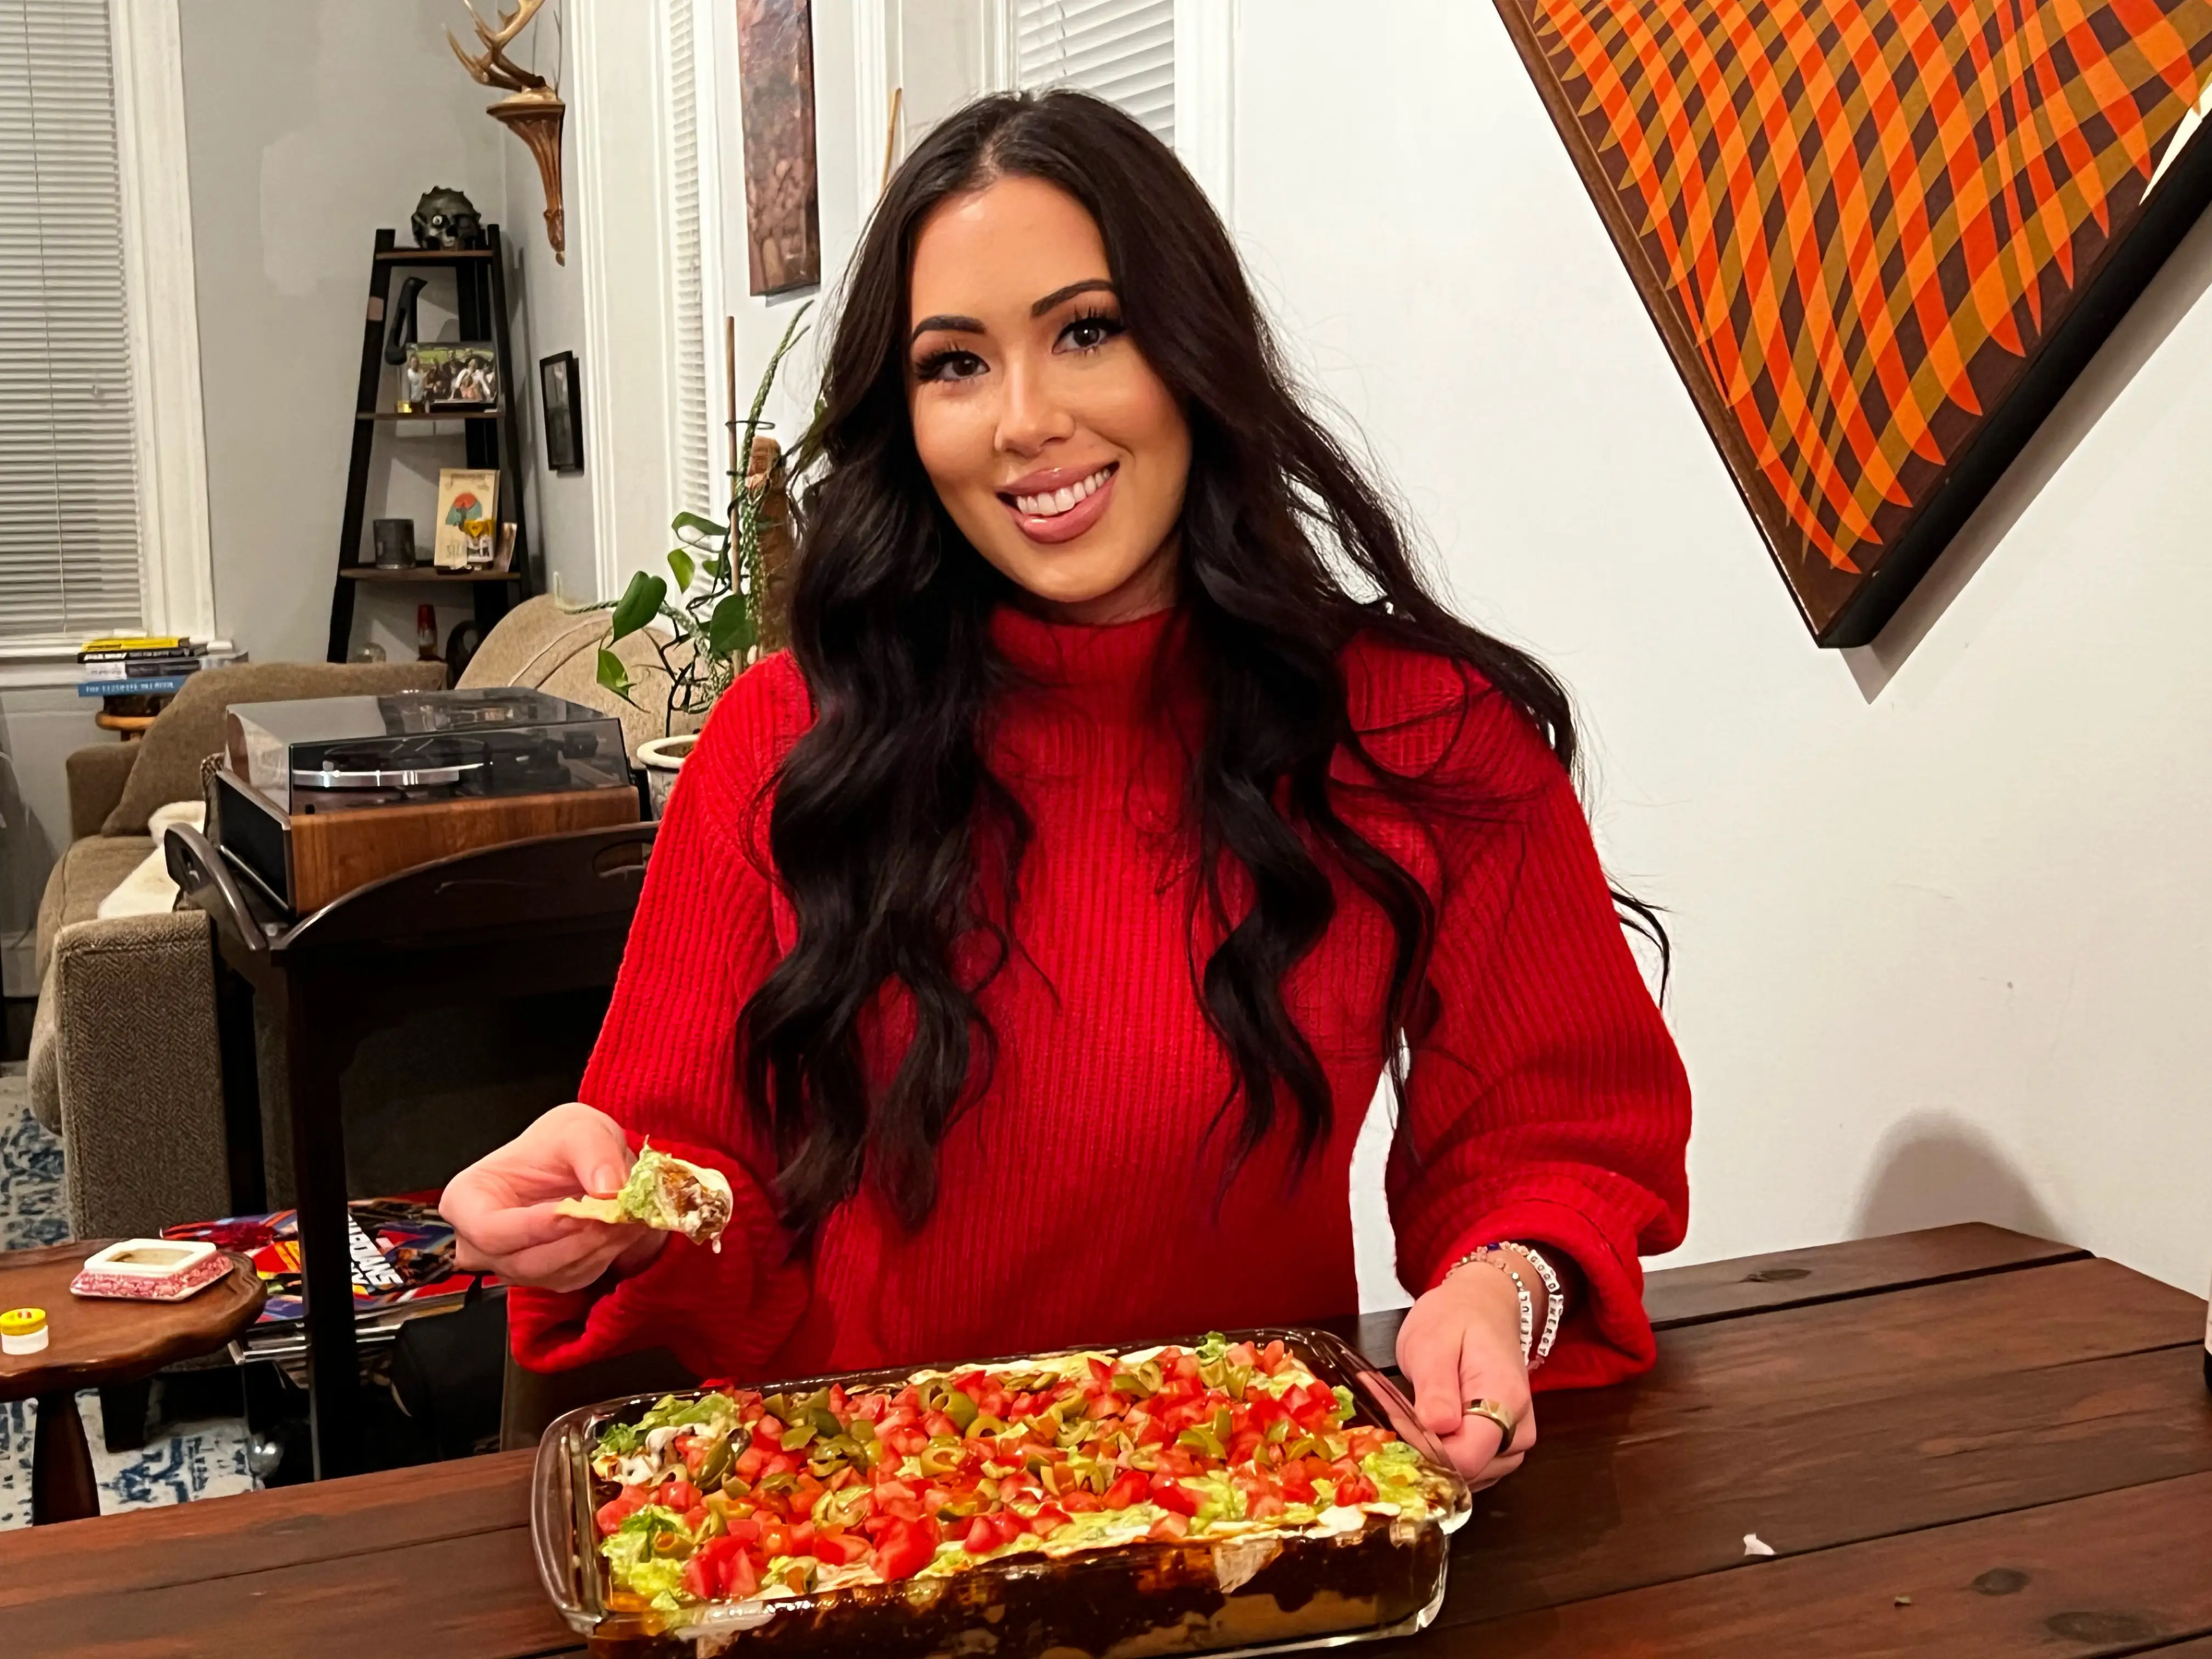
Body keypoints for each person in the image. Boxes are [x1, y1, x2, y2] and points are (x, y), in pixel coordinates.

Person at [441, 91, 1690, 1487]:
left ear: (1195, 349)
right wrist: (609, 1210)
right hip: (862, 1525)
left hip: (1251, 1517)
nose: (1026, 422)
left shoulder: (1426, 733)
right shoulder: (781, 740)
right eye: (955, 364)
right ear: (904, 416)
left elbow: (1559, 1136)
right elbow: (687, 1179)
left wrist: (1504, 1286)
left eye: (1087, 331)